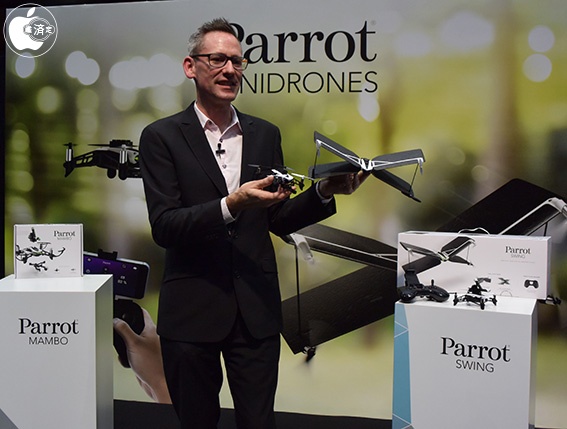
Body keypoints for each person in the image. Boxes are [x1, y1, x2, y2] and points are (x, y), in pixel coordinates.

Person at [139, 17, 368, 429]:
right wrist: (231, 204)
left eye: (237, 62)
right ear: (191, 66)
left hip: (255, 312)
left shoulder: (265, 134)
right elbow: (166, 226)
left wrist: (324, 191)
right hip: (191, 311)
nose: (230, 70)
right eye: (218, 60)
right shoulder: (161, 137)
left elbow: (277, 218)